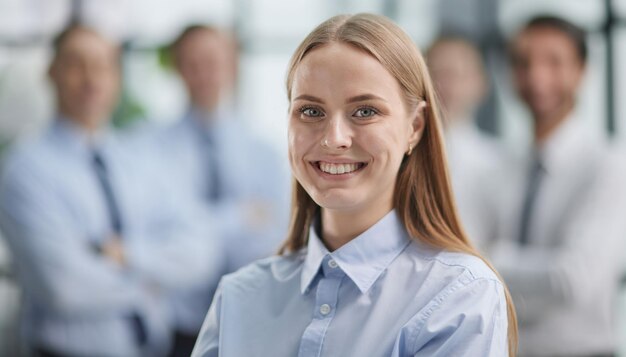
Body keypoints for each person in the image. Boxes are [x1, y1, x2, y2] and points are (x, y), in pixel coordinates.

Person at [191, 13, 517, 357]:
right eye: (311, 112)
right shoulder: (240, 296)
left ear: (415, 127)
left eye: (364, 111)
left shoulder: (459, 295)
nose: (334, 139)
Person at [0, 24, 221, 357]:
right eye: (77, 64)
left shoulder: (141, 158)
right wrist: (155, 283)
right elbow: (64, 287)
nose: (91, 79)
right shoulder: (26, 169)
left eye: (103, 65)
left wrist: (129, 255)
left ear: (116, 77)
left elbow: (202, 251)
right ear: (51, 72)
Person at [484, 15, 626, 356]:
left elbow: (572, 280)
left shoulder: (608, 165)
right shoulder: (502, 167)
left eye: (554, 62)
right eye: (522, 63)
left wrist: (489, 260)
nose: (536, 77)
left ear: (581, 70)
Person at [153, 25, 290, 356]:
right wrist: (241, 215)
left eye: (213, 61)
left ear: (232, 65)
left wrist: (194, 227)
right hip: (176, 322)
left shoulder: (265, 151)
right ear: (177, 68)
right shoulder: (150, 151)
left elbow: (275, 237)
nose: (204, 74)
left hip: (249, 318)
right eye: (193, 63)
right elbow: (159, 235)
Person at [426, 36, 503, 248]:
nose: (448, 86)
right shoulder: (399, 154)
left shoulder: (500, 161)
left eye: (459, 75)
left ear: (481, 84)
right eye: (438, 74)